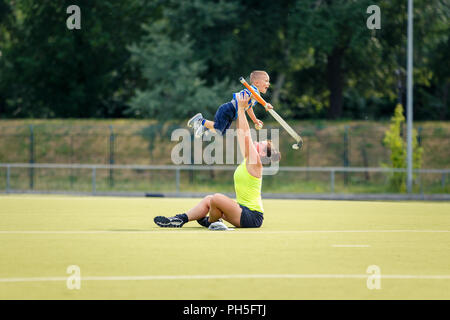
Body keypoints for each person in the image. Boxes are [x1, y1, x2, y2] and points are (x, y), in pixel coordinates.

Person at [154, 92, 281, 230]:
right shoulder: (248, 159)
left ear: (262, 153)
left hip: (252, 217)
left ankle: (212, 221)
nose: (256, 141)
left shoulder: (256, 162)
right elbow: (241, 132)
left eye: (260, 143)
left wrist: (241, 109)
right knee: (210, 199)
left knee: (217, 198)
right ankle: (179, 219)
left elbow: (246, 136)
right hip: (242, 211)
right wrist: (240, 109)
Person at [187, 70, 273, 138]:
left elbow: (249, 108)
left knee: (221, 132)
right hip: (228, 109)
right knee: (218, 128)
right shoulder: (252, 90)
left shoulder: (255, 95)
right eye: (266, 81)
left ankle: (205, 126)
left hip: (232, 114)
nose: (268, 83)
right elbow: (257, 97)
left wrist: (255, 120)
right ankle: (200, 120)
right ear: (257, 83)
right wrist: (265, 104)